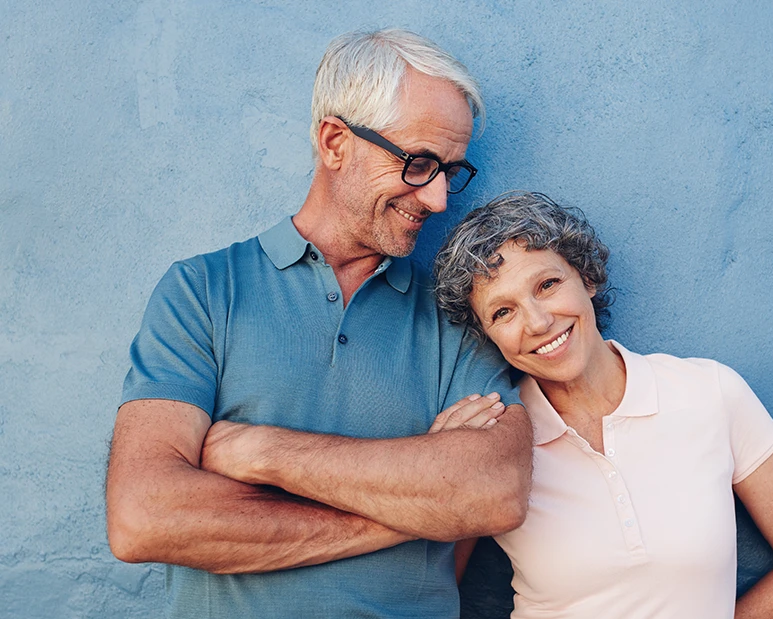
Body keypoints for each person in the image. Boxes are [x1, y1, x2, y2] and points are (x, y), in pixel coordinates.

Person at [105, 29, 533, 619]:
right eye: (418, 163)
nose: (437, 199)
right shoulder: (203, 291)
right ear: (335, 142)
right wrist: (415, 506)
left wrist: (263, 452)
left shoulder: (460, 309)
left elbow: (493, 492)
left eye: (450, 171)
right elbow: (143, 516)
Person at [433, 191, 773, 619]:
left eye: (547, 285)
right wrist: (439, 467)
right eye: (503, 312)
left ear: (586, 278)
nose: (537, 322)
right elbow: (431, 592)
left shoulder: (710, 393)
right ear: (487, 337)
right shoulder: (494, 440)